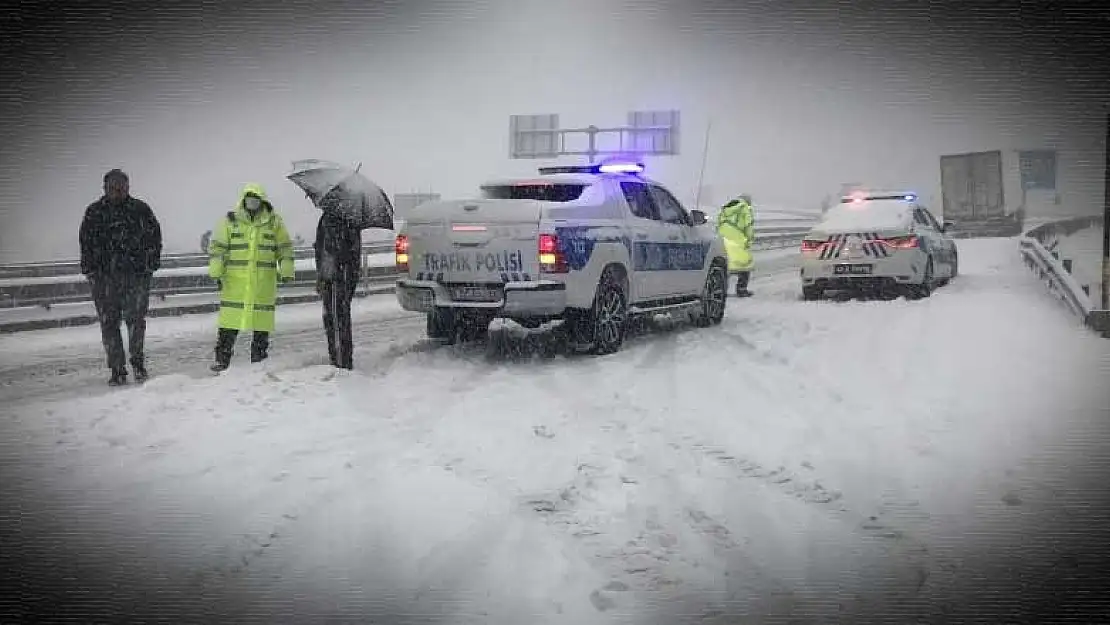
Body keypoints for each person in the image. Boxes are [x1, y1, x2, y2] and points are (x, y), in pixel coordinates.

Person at [79, 169, 163, 385]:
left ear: (128, 187)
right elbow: (86, 244)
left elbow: (155, 239)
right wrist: (92, 272)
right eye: (113, 187)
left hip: (135, 277)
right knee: (109, 324)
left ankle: (137, 363)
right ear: (105, 188)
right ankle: (117, 368)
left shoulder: (141, 210)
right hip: (104, 279)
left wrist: (149, 266)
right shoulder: (94, 213)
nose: (118, 190)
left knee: (135, 322)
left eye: (122, 186)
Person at [206, 183, 295, 372]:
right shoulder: (230, 221)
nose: (252, 201)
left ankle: (259, 359)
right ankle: (222, 360)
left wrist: (286, 268)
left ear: (262, 200)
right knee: (229, 324)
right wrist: (216, 269)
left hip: (263, 282)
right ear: (243, 198)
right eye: (249, 197)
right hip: (235, 282)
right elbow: (218, 247)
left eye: (256, 197)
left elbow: (284, 247)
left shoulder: (274, 222)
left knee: (261, 324)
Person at [314, 199, 363, 370]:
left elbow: (351, 253)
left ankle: (343, 361)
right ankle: (335, 357)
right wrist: (320, 274)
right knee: (330, 318)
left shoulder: (348, 221)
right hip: (328, 276)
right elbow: (319, 248)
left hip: (342, 277)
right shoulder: (325, 219)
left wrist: (339, 259)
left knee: (339, 317)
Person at [717, 195, 755, 297]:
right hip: (738, 240)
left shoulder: (726, 209)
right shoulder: (744, 208)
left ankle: (720, 290)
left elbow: (718, 224)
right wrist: (749, 240)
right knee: (745, 265)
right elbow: (748, 226)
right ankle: (741, 289)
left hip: (724, 239)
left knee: (725, 265)